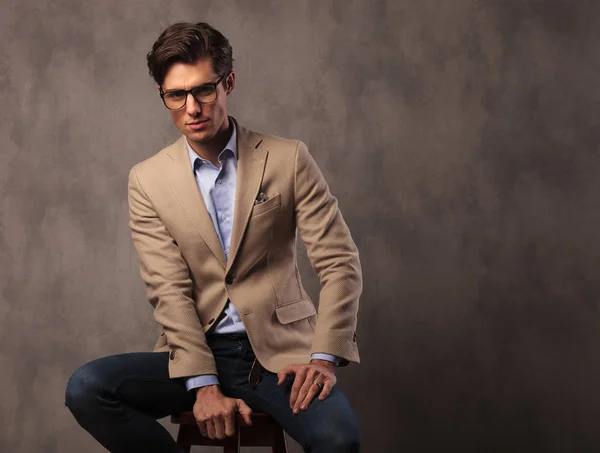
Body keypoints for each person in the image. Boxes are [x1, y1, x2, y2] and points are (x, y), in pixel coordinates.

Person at [65, 21, 362, 453]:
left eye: (204, 90)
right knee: (87, 388)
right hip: (195, 353)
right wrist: (203, 384)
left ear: (229, 83)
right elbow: (169, 289)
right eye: (176, 95)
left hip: (281, 355)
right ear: (162, 96)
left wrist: (323, 358)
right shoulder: (147, 181)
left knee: (339, 438)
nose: (192, 108)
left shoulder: (287, 158)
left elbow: (339, 262)